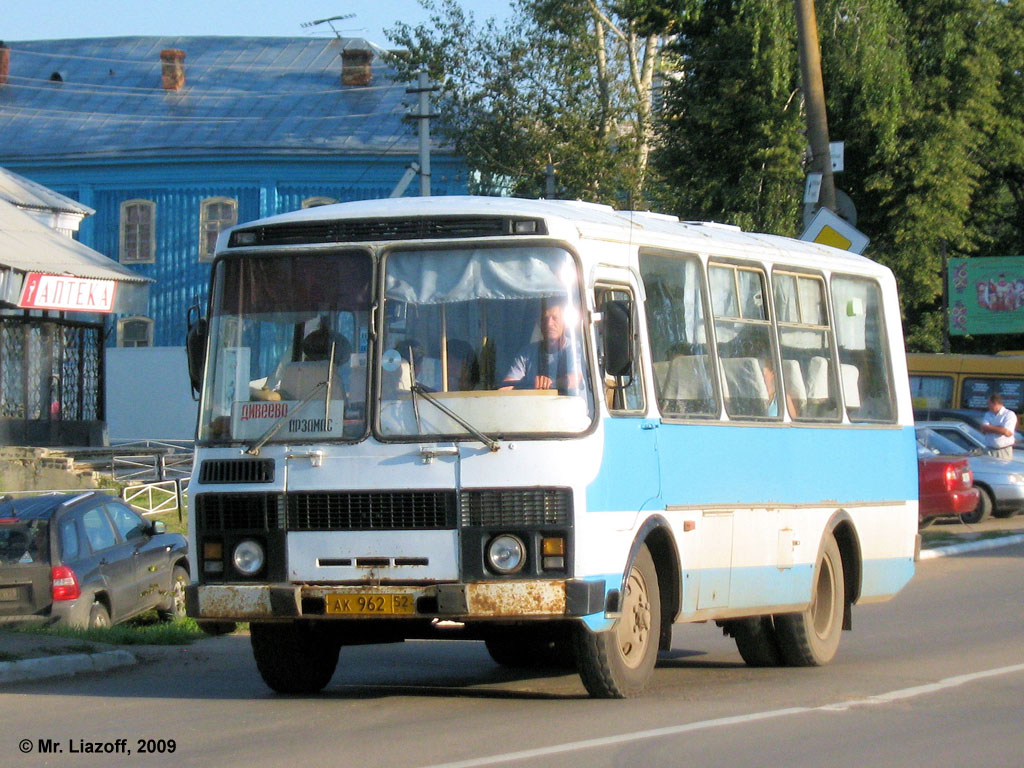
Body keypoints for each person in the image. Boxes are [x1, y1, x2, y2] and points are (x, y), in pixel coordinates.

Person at [500, 300, 585, 395]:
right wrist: (531, 384)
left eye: (555, 318)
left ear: (565, 322)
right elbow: (506, 386)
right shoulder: (527, 353)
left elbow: (576, 378)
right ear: (539, 324)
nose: (549, 324)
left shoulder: (576, 348)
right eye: (545, 319)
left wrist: (549, 383)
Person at [980, 393, 1018, 459]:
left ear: (995, 403)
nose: (988, 406)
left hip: (1003, 451)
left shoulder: (1009, 414)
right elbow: (983, 429)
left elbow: (1007, 432)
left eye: (989, 404)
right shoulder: (988, 414)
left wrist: (990, 428)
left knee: (1003, 469)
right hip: (989, 450)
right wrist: (1000, 429)